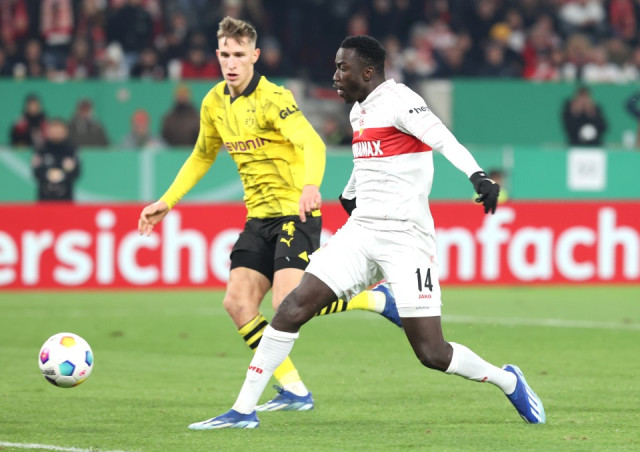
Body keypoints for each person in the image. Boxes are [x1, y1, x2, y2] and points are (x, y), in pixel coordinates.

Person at [189, 35, 546, 430]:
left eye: (343, 68)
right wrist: (350, 192)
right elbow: (369, 161)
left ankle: (508, 381)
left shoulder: (401, 101)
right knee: (291, 308)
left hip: (406, 239)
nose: (335, 76)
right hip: (360, 233)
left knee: (432, 352)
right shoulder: (359, 112)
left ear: (368, 72)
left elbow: (443, 138)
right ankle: (243, 411)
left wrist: (478, 176)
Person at [138, 18, 401, 414]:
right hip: (258, 218)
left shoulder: (274, 98)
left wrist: (311, 185)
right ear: (218, 55)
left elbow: (312, 143)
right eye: (225, 54)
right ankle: (293, 390)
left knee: (286, 301)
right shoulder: (213, 103)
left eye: (239, 55)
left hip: (296, 211)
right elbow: (202, 156)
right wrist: (167, 201)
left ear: (255, 56)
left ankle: (376, 300)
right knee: (237, 303)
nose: (231, 63)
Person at [31, 118, 80, 201]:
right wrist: (48, 175)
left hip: (66, 198)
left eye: (59, 131)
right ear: (48, 132)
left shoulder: (71, 150)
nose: (56, 133)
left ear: (65, 132)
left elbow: (76, 172)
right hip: (44, 198)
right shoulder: (41, 150)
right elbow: (36, 172)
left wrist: (62, 175)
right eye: (54, 131)